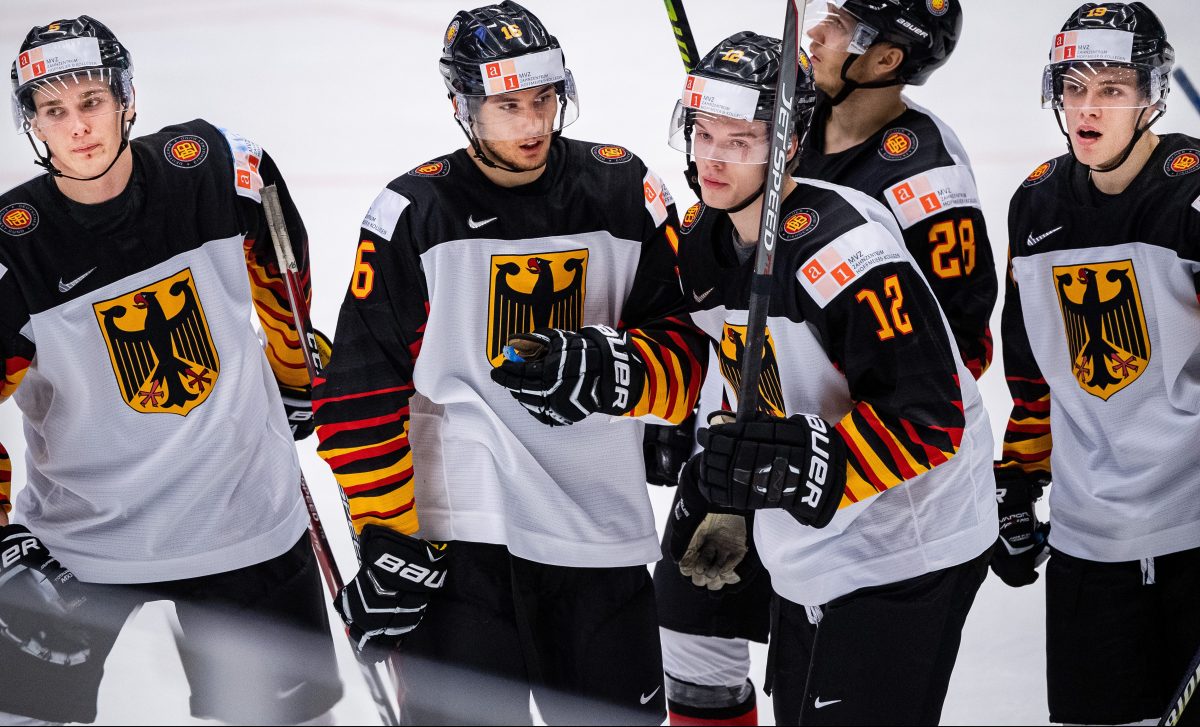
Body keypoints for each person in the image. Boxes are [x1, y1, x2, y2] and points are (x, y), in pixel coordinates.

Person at [312, 2, 704, 724]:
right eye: (508, 105)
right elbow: (357, 401)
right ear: (464, 106)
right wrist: (391, 537)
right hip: (459, 547)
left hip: (599, 531)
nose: (532, 125)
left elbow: (688, 354)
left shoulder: (624, 190)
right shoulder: (414, 212)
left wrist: (619, 370)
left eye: (545, 99)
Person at [648, 2, 998, 723]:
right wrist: (734, 475)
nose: (713, 157)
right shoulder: (705, 236)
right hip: (811, 531)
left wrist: (814, 461)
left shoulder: (849, 249)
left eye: (740, 139)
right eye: (704, 134)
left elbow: (933, 409)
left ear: (788, 143)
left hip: (908, 537)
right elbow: (740, 363)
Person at [0, 15, 342, 726]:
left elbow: (286, 283)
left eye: (91, 101)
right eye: (54, 111)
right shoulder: (13, 249)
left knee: (287, 719)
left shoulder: (218, 169)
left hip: (242, 514)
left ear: (124, 98)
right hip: (82, 537)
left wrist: (298, 375)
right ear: (32, 123)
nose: (79, 127)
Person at [994, 3, 1200, 724]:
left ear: (1150, 94)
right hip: (1089, 544)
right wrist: (1017, 482)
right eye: (1073, 87)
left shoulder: (1192, 196)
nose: (1087, 107)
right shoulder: (1036, 204)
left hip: (1192, 532)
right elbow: (1032, 375)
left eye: (1111, 88)